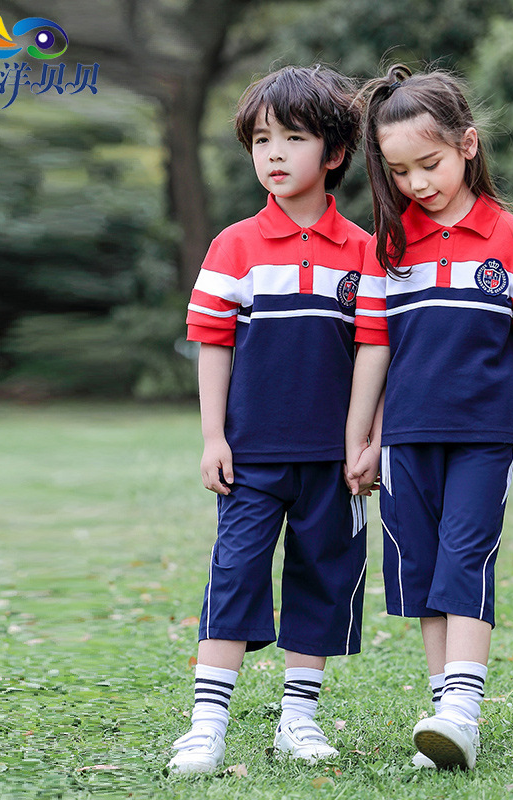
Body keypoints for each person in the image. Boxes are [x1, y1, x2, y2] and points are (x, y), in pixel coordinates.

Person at [344, 64, 513, 771]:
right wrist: (361, 436)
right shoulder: (390, 246)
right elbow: (375, 347)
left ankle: (462, 714)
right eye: (400, 171)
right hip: (405, 438)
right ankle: (444, 717)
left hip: (484, 434)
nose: (417, 183)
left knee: (465, 559)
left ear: (467, 145)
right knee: (421, 571)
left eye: (430, 163)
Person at [168, 65, 370, 774]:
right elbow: (212, 344)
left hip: (333, 462)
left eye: (293, 138)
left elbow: (377, 358)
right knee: (235, 574)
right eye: (261, 140)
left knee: (323, 578)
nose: (274, 153)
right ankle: (206, 726)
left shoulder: (366, 253)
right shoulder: (234, 246)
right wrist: (213, 438)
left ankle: (299, 720)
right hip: (250, 455)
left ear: (334, 153)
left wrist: (367, 442)